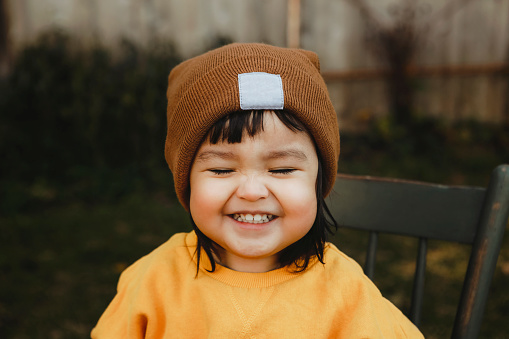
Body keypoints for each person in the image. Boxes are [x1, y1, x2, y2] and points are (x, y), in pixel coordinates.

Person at [91, 43, 424, 338]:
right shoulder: (154, 282)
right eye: (221, 169)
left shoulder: (348, 295)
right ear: (186, 181)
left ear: (318, 183)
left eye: (281, 169)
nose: (251, 191)